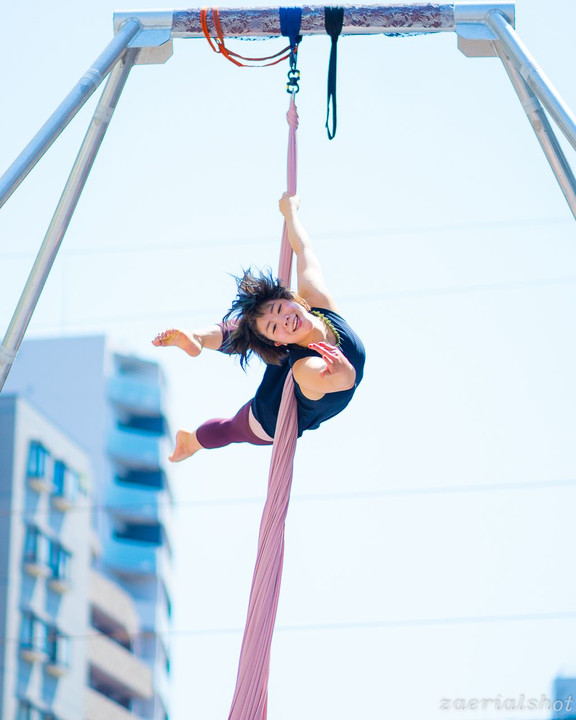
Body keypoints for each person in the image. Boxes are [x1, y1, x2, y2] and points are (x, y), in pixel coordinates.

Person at [152, 192, 365, 462]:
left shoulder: (317, 301)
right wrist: (343, 369)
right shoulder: (304, 368)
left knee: (255, 325)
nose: (284, 320)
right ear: (279, 341)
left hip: (289, 354)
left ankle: (200, 341)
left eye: (280, 309)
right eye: (277, 328)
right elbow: (342, 381)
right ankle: (191, 438)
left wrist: (291, 212)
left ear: (292, 298)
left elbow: (304, 250)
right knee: (233, 426)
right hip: (278, 411)